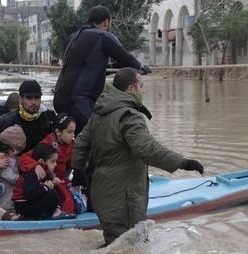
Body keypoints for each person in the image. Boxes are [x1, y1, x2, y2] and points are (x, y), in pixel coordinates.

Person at [71, 67, 204, 246]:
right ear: (131, 89)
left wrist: (78, 169)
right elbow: (147, 149)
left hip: (102, 191)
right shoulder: (129, 115)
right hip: (123, 196)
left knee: (116, 243)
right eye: (141, 86)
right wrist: (183, 162)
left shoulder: (99, 112)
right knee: (130, 245)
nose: (143, 90)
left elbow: (81, 142)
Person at [53, 5, 152, 135]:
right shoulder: (103, 36)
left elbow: (91, 70)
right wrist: (141, 68)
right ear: (106, 22)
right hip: (78, 101)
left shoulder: (75, 37)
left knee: (78, 140)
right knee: (100, 136)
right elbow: (125, 58)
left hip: (59, 98)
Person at [19, 113, 76, 213]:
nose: (73, 135)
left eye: (73, 132)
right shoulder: (46, 144)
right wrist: (36, 165)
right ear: (58, 132)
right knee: (67, 204)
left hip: (62, 180)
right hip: (50, 180)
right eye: (70, 132)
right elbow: (24, 157)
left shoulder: (71, 144)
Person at [13, 143, 75, 220]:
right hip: (23, 207)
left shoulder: (44, 173)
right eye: (52, 161)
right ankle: (55, 212)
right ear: (42, 161)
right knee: (51, 193)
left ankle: (56, 211)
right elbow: (30, 194)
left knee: (55, 190)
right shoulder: (31, 174)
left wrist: (52, 182)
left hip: (31, 203)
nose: (55, 164)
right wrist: (46, 187)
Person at [0, 80, 56, 154]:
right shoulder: (6, 121)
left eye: (37, 97)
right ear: (21, 99)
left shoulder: (49, 118)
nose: (33, 102)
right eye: (29, 98)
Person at [0, 126, 27, 212]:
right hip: (4, 191)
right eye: (17, 149)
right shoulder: (1, 158)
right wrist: (24, 180)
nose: (18, 152)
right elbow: (8, 176)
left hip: (12, 190)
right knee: (6, 198)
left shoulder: (14, 157)